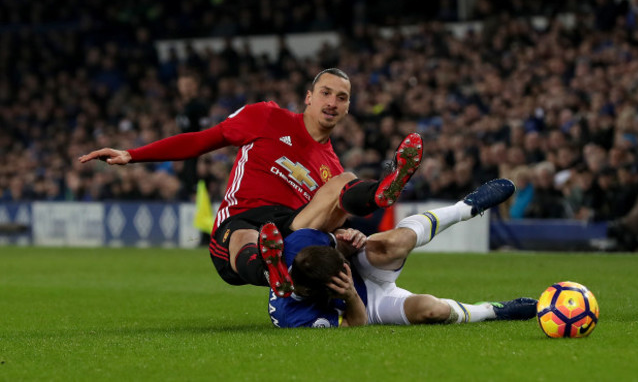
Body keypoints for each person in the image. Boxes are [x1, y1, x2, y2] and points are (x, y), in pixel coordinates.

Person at [79, 68, 423, 296]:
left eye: (342, 98)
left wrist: (347, 235)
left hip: (290, 229)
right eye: (325, 93)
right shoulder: (265, 116)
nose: (332, 103)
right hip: (241, 220)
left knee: (344, 182)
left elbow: (327, 221)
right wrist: (132, 154)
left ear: (348, 108)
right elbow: (201, 140)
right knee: (250, 236)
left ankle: (382, 191)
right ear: (309, 96)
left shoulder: (330, 166)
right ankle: (269, 271)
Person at [265, 178, 538, 327]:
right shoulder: (296, 318)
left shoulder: (300, 243)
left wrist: (349, 239)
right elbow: (355, 324)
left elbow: (338, 240)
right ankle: (493, 311)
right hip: (364, 304)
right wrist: (348, 293)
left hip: (362, 267)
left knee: (393, 243)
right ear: (320, 291)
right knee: (433, 311)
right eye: (340, 275)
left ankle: (464, 208)